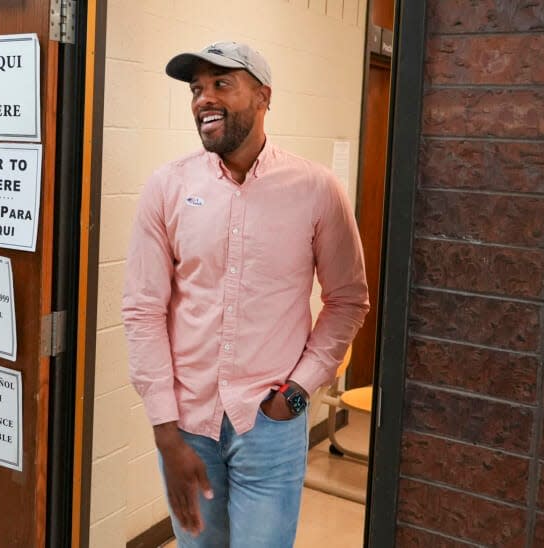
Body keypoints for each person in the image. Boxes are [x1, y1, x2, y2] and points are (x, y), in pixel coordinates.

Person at [121, 41, 370, 547]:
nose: (203, 99)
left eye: (221, 84)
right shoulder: (167, 187)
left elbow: (348, 300)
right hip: (188, 423)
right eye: (196, 89)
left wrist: (299, 390)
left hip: (269, 425)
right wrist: (164, 431)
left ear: (263, 97)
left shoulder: (317, 189)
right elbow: (143, 310)